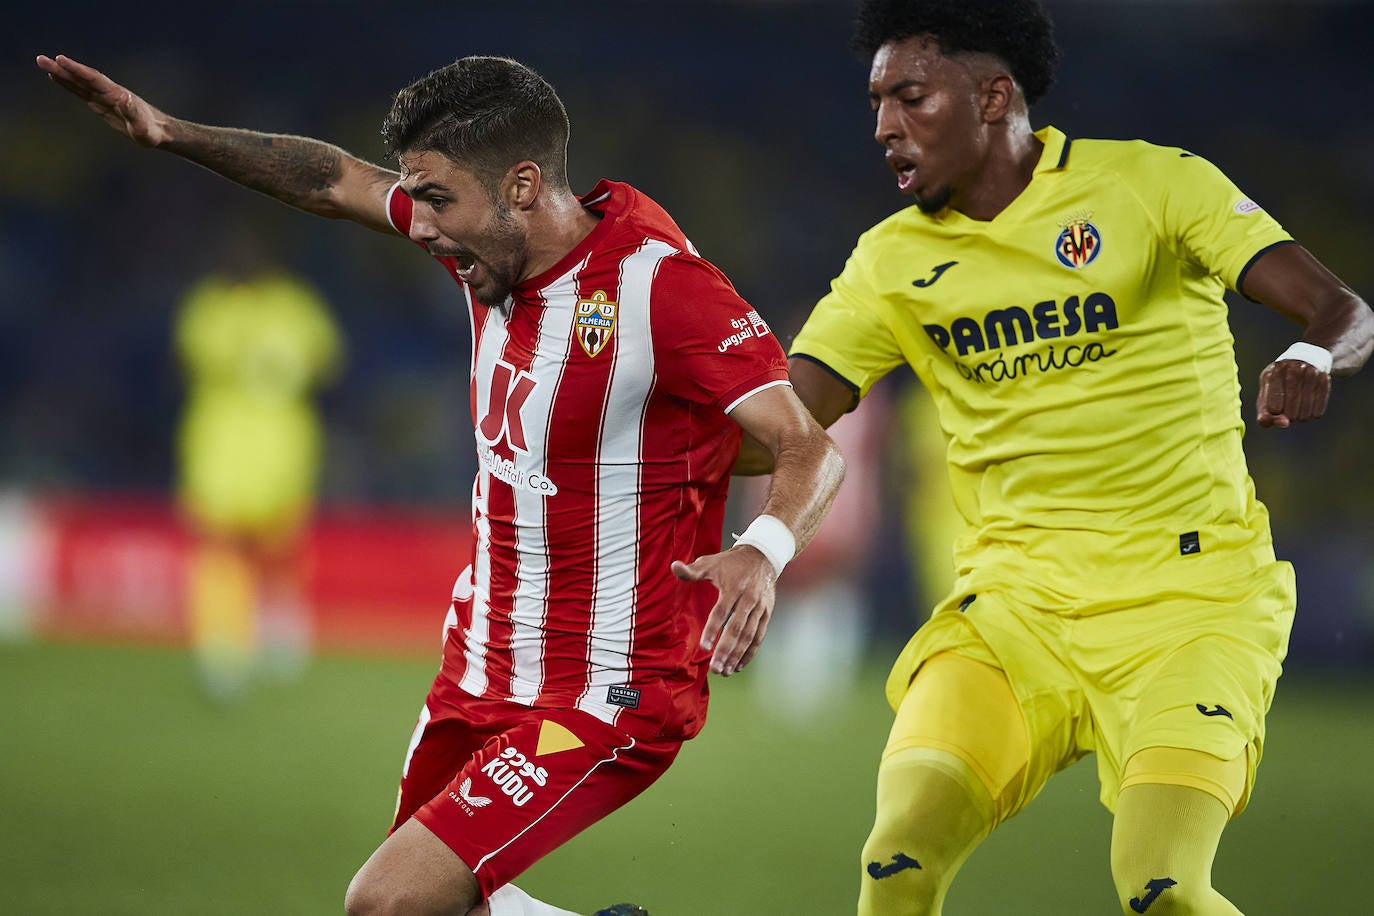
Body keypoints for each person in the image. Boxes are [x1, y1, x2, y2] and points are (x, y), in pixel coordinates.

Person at [36, 52, 844, 916]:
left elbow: (808, 446)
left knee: (385, 901)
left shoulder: (659, 289)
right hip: (479, 664)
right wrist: (172, 132)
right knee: (433, 906)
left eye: (436, 199)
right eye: (416, 197)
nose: (418, 226)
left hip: (609, 687)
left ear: (524, 186)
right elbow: (334, 180)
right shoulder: (483, 250)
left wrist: (760, 552)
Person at [737, 1, 1373, 913]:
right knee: (897, 861)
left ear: (993, 95)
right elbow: (782, 428)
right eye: (877, 102)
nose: (883, 127)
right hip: (1014, 613)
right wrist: (625, 440)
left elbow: (1343, 309)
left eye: (910, 97)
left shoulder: (1153, 186)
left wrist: (1310, 354)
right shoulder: (890, 262)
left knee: (1164, 889)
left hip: (1191, 608)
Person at [174, 257, 344, 699]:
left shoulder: (295, 306)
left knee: (279, 548)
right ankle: (223, 650)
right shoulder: (210, 306)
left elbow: (327, 360)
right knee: (222, 546)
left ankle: (280, 636)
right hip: (222, 445)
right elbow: (195, 357)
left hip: (281, 445)